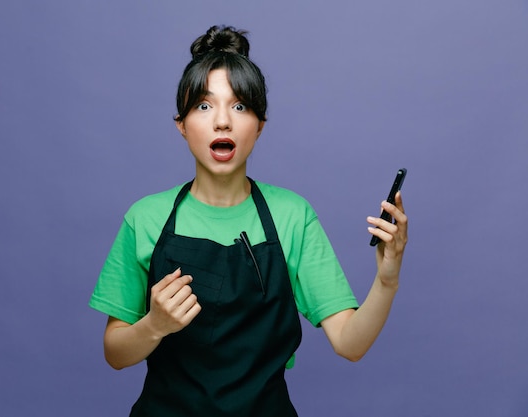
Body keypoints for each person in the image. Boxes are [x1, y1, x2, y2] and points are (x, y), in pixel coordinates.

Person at [89, 25, 408, 417]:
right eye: (204, 106)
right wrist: (154, 324)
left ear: (259, 125)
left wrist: (387, 278)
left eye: (239, 106)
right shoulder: (145, 218)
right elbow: (115, 353)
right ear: (181, 124)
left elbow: (350, 344)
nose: (222, 121)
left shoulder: (293, 216)